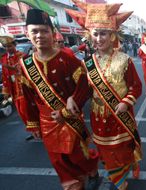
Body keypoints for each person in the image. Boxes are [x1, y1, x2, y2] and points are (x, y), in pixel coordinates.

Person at [66, 2, 143, 190]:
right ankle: (117, 176)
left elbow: (136, 86)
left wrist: (126, 102)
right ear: (89, 36)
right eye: (95, 33)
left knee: (122, 147)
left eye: (103, 33)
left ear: (112, 35)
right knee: (106, 150)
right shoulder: (87, 64)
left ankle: (120, 178)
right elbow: (83, 90)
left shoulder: (124, 60)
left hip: (120, 112)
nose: (99, 38)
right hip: (98, 115)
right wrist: (72, 98)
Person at [20, 9, 99, 190]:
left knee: (78, 155)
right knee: (58, 160)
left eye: (44, 30)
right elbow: (28, 97)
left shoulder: (67, 59)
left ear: (52, 33)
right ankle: (73, 185)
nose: (40, 35)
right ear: (27, 34)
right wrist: (32, 124)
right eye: (35, 31)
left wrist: (74, 100)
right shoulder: (26, 65)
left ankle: (92, 170)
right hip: (47, 123)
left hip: (70, 118)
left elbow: (85, 84)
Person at [0, 34, 27, 123]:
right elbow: (4, 75)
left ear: (14, 45)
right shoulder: (3, 58)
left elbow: (21, 69)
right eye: (6, 47)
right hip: (12, 88)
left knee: (25, 108)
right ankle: (31, 130)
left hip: (23, 86)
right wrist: (5, 91)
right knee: (19, 110)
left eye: (10, 46)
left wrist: (10, 67)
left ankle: (35, 128)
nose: (8, 48)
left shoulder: (21, 55)